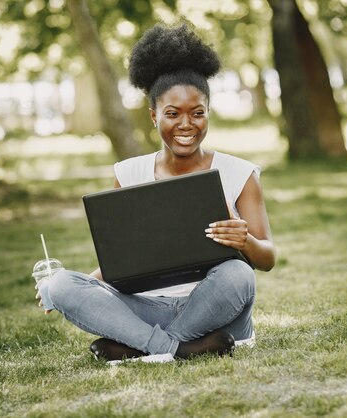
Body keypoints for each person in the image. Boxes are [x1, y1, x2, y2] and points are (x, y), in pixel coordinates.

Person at [38, 23, 276, 361]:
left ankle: (140, 347)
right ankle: (177, 349)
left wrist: (245, 241)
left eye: (197, 113)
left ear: (208, 113)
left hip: (216, 309)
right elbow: (123, 261)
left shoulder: (240, 173)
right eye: (172, 114)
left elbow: (267, 259)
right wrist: (70, 288)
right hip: (148, 307)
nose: (186, 124)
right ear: (153, 116)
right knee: (61, 283)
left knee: (238, 273)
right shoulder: (129, 173)